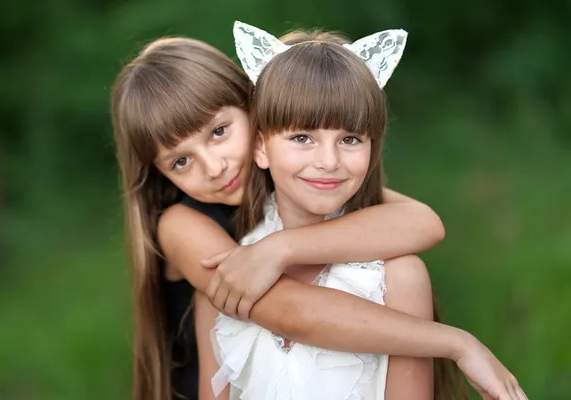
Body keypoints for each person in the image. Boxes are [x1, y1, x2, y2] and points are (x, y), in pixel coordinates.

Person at [110, 25, 524, 400]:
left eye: (219, 132)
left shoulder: (306, 182)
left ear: (256, 118)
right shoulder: (185, 227)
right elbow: (289, 311)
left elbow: (423, 222)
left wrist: (280, 248)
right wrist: (456, 343)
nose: (214, 167)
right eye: (180, 161)